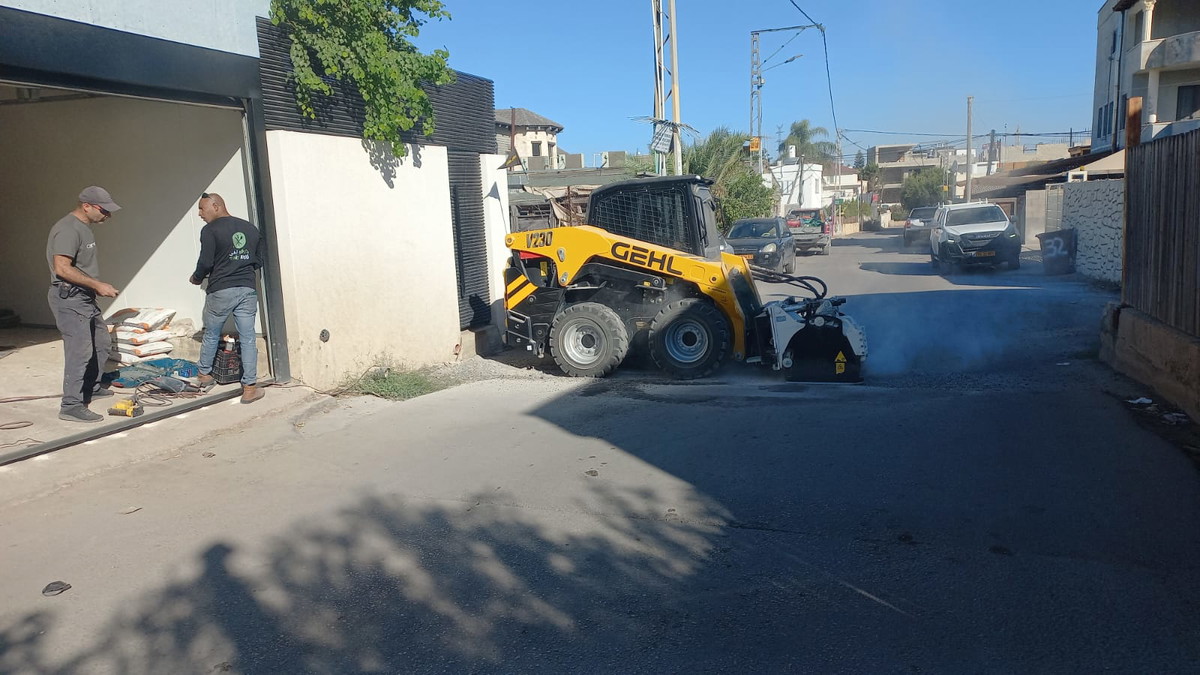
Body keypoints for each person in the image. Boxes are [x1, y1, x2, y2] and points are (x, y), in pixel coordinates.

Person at [46, 186, 122, 423]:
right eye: (104, 210)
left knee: (101, 342)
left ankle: (91, 387)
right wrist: (97, 284)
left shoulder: (84, 228)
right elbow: (62, 268)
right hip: (69, 297)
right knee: (79, 350)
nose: (107, 215)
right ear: (86, 206)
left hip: (84, 297)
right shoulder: (67, 229)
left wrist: (93, 287)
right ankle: (71, 405)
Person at [190, 192, 266, 404]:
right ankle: (249, 388)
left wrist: (197, 278)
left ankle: (204, 375)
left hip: (221, 290)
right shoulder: (250, 229)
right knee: (248, 337)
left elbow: (206, 262)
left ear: (216, 206)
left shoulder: (210, 230)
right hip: (247, 289)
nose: (200, 214)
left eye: (202, 208)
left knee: (212, 333)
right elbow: (259, 260)